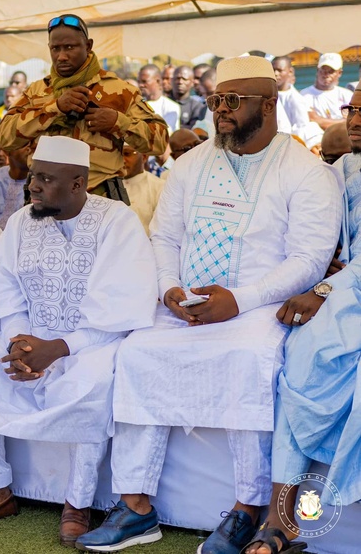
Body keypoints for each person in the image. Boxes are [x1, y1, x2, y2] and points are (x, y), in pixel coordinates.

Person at [76, 56, 342, 554]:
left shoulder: (306, 172)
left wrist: (238, 300)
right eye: (218, 99)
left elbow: (309, 259)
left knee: (250, 359)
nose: (221, 110)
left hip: (260, 304)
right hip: (185, 302)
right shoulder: (191, 162)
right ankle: (135, 507)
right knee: (135, 353)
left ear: (269, 104)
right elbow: (165, 237)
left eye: (233, 102)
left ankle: (246, 508)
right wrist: (168, 286)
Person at [0, 136, 158, 546]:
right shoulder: (22, 221)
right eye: (33, 177)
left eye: (45, 179)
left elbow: (121, 307)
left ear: (78, 183)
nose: (33, 187)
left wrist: (58, 348)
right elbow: (3, 289)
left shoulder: (117, 221)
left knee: (93, 380)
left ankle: (77, 503)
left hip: (91, 344)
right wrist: (18, 343)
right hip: (29, 341)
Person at [242, 87, 361, 554]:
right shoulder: (335, 172)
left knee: (317, 347)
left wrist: (325, 288)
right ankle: (278, 520)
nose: (355, 118)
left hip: (344, 292)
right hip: (344, 292)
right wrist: (322, 271)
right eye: (352, 109)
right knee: (297, 349)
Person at [0, 14, 167, 202]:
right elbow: (5, 138)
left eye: (70, 47)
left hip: (99, 200)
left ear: (88, 46)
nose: (61, 56)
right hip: (45, 201)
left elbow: (160, 141)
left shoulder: (119, 91)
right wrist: (54, 109)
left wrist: (118, 122)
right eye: (55, 49)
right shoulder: (37, 92)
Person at [272, 56, 322, 146]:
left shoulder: (298, 99)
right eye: (273, 70)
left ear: (290, 72)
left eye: (280, 70)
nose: (275, 73)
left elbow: (301, 128)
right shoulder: (268, 96)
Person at [302, 53, 354, 130]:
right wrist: (344, 122)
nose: (326, 75)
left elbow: (353, 121)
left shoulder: (347, 95)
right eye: (323, 70)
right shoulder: (304, 95)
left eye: (331, 71)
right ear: (317, 70)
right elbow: (314, 120)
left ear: (339, 73)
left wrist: (322, 121)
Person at [122, 144, 165, 234]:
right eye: (118, 155)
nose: (122, 160)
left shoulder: (159, 187)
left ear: (144, 157)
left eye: (127, 154)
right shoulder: (105, 185)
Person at [139, 64, 180, 133]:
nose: (140, 85)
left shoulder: (171, 106)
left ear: (158, 81)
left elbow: (165, 133)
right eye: (139, 82)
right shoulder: (136, 104)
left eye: (144, 81)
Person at [171, 65, 208, 130]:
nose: (180, 82)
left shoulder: (197, 106)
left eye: (184, 79)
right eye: (177, 78)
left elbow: (194, 129)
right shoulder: (163, 102)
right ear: (171, 80)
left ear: (192, 82)